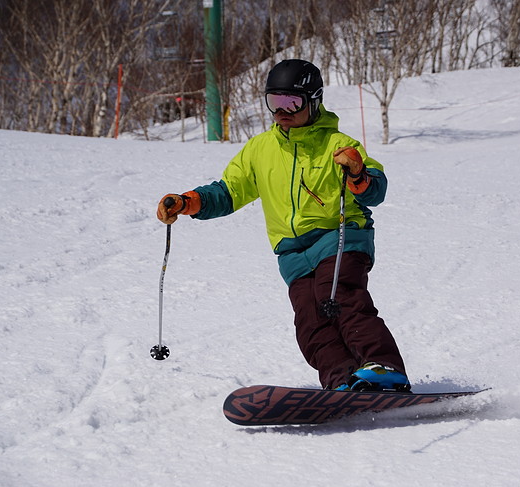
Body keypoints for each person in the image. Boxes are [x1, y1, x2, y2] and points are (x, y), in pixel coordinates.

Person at [157, 59, 410, 392]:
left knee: (340, 298)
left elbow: (376, 189)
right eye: (274, 102)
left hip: (339, 239)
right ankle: (341, 380)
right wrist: (190, 202)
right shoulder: (260, 149)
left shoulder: (338, 146)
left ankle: (384, 367)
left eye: (292, 102)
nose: (282, 112)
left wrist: (358, 175)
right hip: (291, 253)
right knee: (310, 323)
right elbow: (230, 190)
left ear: (314, 101)